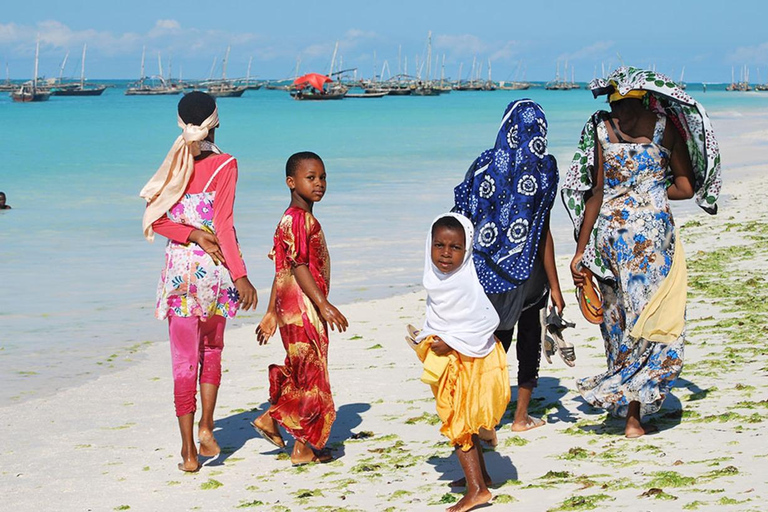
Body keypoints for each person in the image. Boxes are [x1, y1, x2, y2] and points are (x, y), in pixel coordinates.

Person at [562, 67, 721, 438]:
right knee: (653, 321)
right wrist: (650, 195)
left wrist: (580, 251)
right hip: (651, 243)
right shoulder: (665, 129)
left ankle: (620, 402)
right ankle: (634, 416)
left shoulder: (602, 131)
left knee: (618, 322)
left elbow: (595, 193)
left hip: (610, 239)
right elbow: (684, 187)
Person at [140, 91, 258, 471]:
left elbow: (157, 220)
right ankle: (207, 426)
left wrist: (189, 234)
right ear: (216, 122)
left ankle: (189, 452)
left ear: (180, 123)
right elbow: (224, 225)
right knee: (212, 350)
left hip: (179, 275)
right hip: (215, 274)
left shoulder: (172, 166)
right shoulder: (226, 165)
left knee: (183, 360)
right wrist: (241, 276)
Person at [453, 99, 565, 433]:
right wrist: (556, 287)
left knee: (494, 341)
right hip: (531, 272)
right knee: (529, 335)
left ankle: (487, 419)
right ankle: (520, 417)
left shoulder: (484, 164)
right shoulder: (544, 170)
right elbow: (542, 231)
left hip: (487, 271)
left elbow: (462, 217)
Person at [253, 151, 348, 466]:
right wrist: (324, 304)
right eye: (311, 177)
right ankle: (303, 447)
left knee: (302, 370)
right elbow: (299, 264)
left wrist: (271, 311)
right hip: (304, 308)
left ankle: (270, 419)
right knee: (312, 373)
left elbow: (282, 271)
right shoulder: (298, 219)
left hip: (289, 307)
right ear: (291, 182)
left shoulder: (289, 218)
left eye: (322, 177)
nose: (319, 183)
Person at [411, 213, 510, 512]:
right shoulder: (437, 280)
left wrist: (451, 341)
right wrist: (428, 336)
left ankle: (477, 490)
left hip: (470, 361)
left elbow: (487, 321)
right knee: (463, 419)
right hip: (453, 359)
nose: (445, 253)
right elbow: (440, 318)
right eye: (439, 245)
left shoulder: (466, 283)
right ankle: (483, 477)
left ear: (466, 251)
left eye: (455, 248)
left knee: (458, 423)